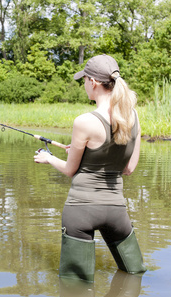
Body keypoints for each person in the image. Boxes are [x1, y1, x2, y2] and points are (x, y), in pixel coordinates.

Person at [34, 54, 147, 282]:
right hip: (116, 212)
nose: (84, 85)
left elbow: (69, 170)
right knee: (135, 274)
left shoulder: (84, 121)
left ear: (93, 82)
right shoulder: (132, 116)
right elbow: (129, 168)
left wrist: (48, 158)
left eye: (84, 80)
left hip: (80, 211)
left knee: (76, 287)